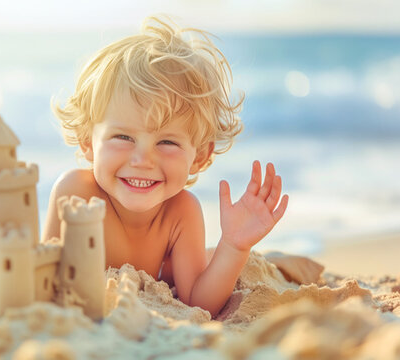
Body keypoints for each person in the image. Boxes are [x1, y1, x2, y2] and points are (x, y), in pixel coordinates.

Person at [43, 16, 288, 316]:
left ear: (199, 156)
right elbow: (43, 276)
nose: (143, 160)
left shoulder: (180, 212)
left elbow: (197, 303)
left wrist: (234, 247)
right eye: (123, 137)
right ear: (87, 142)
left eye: (167, 142)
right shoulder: (75, 195)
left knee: (276, 265)